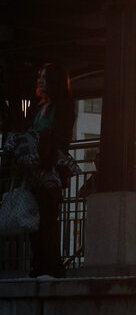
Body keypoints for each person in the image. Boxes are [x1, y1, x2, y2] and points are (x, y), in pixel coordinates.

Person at [27, 63, 76, 278]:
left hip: (50, 169)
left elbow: (60, 137)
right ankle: (39, 265)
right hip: (35, 168)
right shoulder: (39, 108)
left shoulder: (64, 106)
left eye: (44, 78)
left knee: (47, 218)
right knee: (35, 219)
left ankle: (52, 267)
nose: (40, 81)